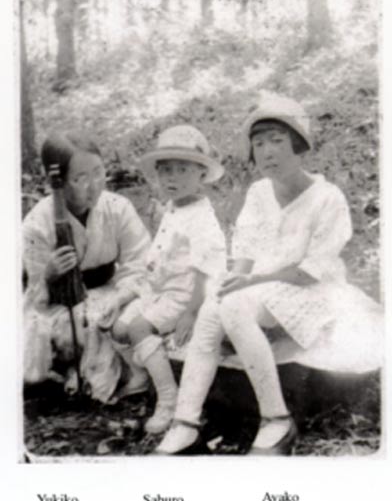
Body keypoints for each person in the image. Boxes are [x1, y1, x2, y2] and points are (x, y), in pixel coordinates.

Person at [156, 92, 383, 456]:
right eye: (258, 144)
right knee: (217, 306)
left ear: (298, 145)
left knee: (232, 306)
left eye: (277, 141)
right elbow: (244, 254)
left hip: (311, 290)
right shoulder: (259, 192)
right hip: (261, 291)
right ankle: (186, 423)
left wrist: (248, 284)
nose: (267, 152)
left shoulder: (328, 197)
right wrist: (235, 281)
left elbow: (312, 272)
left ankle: (276, 419)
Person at [100, 125, 227, 435]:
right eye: (166, 171)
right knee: (116, 326)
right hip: (159, 289)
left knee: (139, 327)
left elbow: (204, 268)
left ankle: (169, 400)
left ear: (201, 175)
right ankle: (143, 376)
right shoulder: (173, 208)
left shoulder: (201, 217)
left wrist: (191, 312)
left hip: (185, 294)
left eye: (182, 170)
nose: (173, 178)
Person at [23, 131, 151, 403]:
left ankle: (98, 377)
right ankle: (75, 379)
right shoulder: (38, 223)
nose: (94, 185)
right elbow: (35, 294)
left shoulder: (118, 207)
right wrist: (49, 274)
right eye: (80, 178)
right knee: (78, 326)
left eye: (98, 172)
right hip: (60, 305)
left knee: (124, 316)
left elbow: (139, 263)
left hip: (111, 291)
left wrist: (121, 296)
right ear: (56, 182)